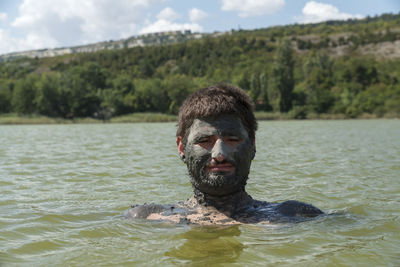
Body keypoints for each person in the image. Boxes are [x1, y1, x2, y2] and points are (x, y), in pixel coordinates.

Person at [126, 84, 323, 225]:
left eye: (233, 140)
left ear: (252, 144)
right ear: (181, 147)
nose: (219, 154)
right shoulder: (145, 217)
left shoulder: (297, 216)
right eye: (204, 141)